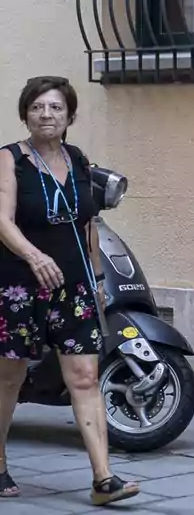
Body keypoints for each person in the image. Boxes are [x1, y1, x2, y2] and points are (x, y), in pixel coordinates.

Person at [0, 76, 140, 506]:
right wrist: (34, 257)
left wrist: (97, 279)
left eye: (56, 108)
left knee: (85, 377)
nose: (47, 115)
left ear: (70, 116)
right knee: (9, 377)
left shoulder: (78, 160)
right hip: (21, 285)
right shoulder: (10, 159)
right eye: (38, 107)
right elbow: (2, 221)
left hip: (74, 285)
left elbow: (88, 225)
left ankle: (103, 479)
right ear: (25, 114)